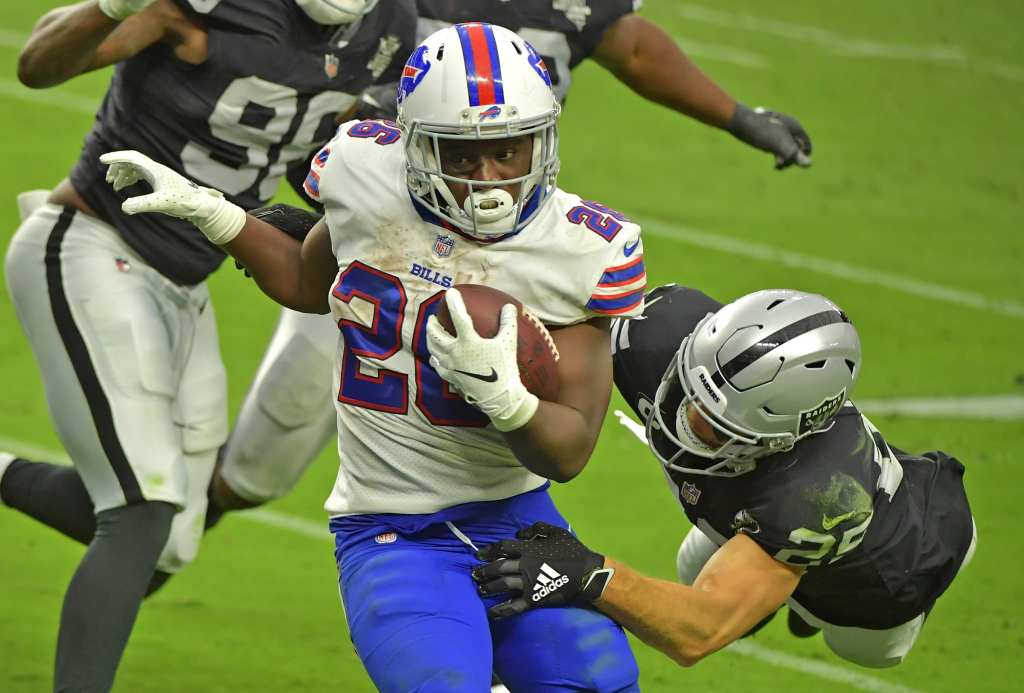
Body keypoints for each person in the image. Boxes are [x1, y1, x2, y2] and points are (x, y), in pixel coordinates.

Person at [97, 22, 645, 691]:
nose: (489, 179)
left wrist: (506, 398)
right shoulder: (363, 170)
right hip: (393, 530)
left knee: (597, 684)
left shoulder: (583, 250)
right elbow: (307, 283)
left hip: (518, 521)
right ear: (414, 143)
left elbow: (570, 449)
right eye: (460, 155)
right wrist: (217, 215)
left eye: (508, 150)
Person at [209, 0, 813, 522]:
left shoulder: (581, 248)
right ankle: (175, 533)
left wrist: (738, 116)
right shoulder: (365, 154)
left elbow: (629, 45)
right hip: (378, 247)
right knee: (258, 467)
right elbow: (301, 55)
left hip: (514, 264)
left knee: (494, 455)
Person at [0, 0, 414, 689]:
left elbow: (311, 148)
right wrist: (109, 8)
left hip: (185, 286)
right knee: (142, 509)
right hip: (91, 244)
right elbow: (37, 65)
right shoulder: (213, 8)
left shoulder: (386, 26)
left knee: (166, 542)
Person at [471, 285, 977, 669]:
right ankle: (771, 586)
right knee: (693, 567)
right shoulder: (659, 327)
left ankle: (798, 601)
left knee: (866, 652)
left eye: (715, 426)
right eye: (686, 388)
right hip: (776, 512)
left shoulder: (817, 497)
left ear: (784, 438)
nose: (684, 419)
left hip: (892, 573)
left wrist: (591, 572)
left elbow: (695, 633)